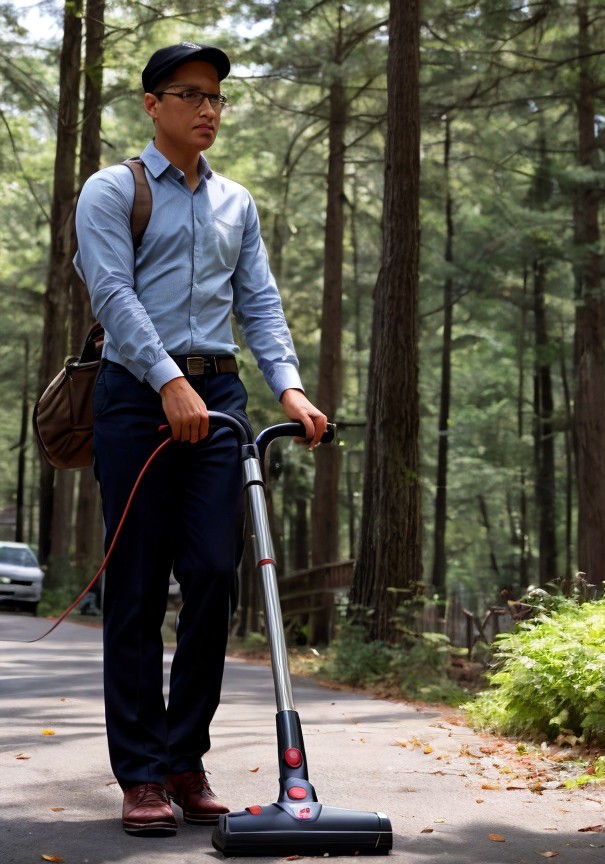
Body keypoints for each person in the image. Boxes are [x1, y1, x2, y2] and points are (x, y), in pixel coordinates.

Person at [73, 42, 328, 837]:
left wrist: (286, 382)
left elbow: (259, 301)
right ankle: (142, 774)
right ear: (152, 105)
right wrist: (164, 379)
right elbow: (111, 291)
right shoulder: (113, 190)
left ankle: (185, 760)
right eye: (190, 95)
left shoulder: (236, 203)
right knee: (140, 586)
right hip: (135, 395)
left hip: (220, 397)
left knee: (216, 574)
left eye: (217, 96)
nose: (208, 110)